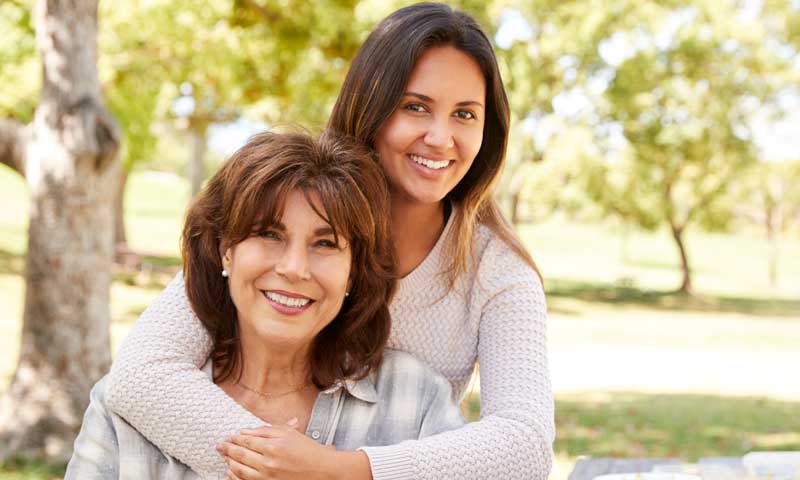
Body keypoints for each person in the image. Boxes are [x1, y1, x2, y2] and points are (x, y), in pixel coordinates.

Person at [105, 3, 555, 479]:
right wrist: (275, 466)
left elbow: (525, 445)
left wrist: (342, 471)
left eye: (465, 114)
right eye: (415, 106)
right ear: (371, 108)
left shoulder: (498, 272)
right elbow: (140, 375)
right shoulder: (290, 209)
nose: (441, 137)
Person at [66, 131, 466, 479]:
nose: (294, 268)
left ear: (353, 273)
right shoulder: (127, 409)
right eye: (269, 234)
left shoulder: (415, 400)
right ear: (226, 251)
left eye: (325, 244)